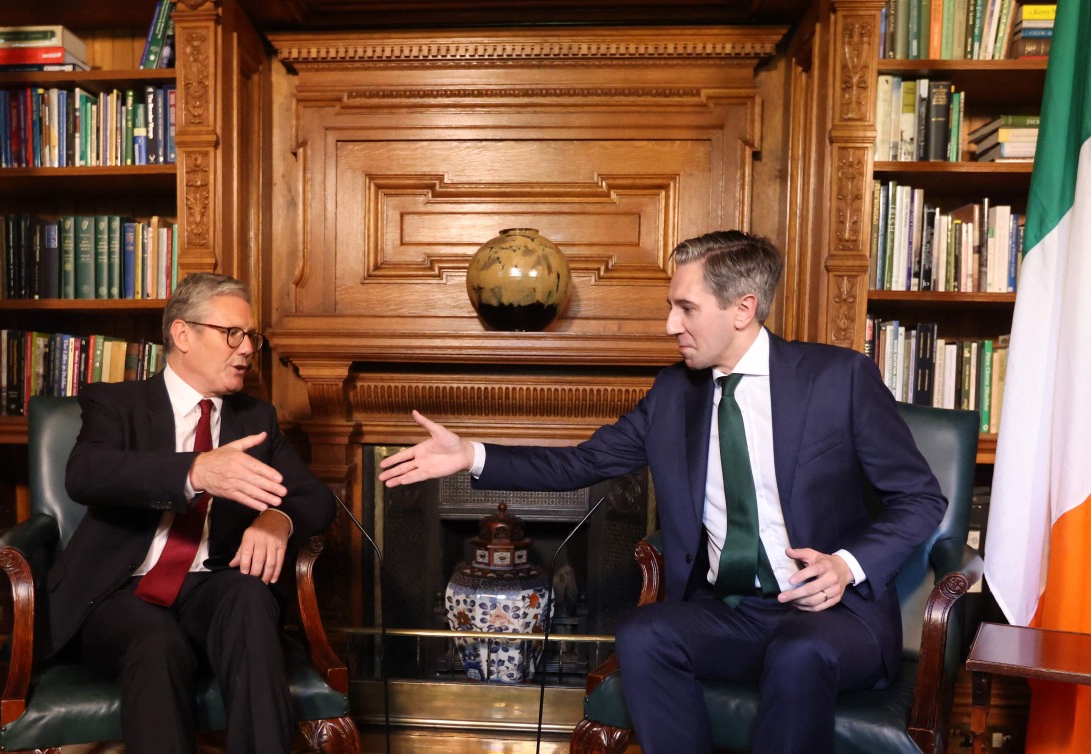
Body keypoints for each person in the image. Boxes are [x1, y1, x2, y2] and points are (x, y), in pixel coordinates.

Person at [379, 230, 947, 754]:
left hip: (832, 615)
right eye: (671, 307)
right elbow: (582, 462)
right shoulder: (675, 393)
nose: (671, 325)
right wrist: (472, 454)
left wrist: (847, 565)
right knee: (644, 633)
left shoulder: (839, 379)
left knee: (797, 654)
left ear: (743, 308)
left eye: (686, 308)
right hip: (733, 612)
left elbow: (921, 498)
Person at [43, 273, 336, 754]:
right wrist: (196, 471)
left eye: (251, 336)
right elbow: (87, 473)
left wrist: (276, 522)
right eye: (232, 334)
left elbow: (314, 497)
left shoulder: (254, 418)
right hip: (121, 591)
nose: (247, 349)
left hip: (212, 586)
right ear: (182, 334)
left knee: (251, 600)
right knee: (156, 642)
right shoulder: (116, 403)